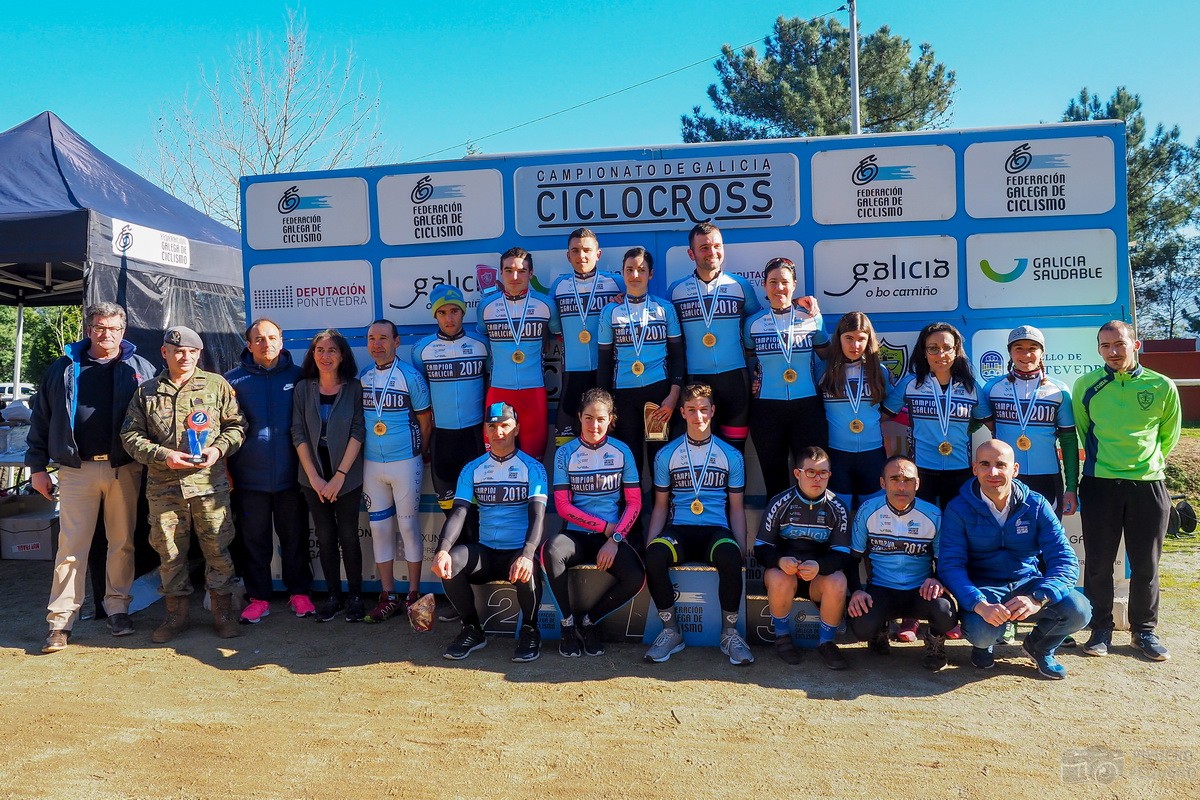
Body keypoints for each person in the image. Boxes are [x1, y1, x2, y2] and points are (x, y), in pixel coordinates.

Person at [29, 303, 155, 653]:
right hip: (75, 470)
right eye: (100, 327)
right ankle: (60, 622)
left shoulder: (140, 368)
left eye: (113, 328)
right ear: (88, 329)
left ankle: (117, 608)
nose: (106, 334)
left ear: (123, 331)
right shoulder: (64, 368)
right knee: (71, 548)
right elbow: (42, 417)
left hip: (123, 469)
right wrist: (37, 466)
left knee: (122, 542)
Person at [120, 325, 247, 643]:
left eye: (191, 351)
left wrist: (217, 449)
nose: (184, 356)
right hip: (164, 488)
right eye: (178, 351)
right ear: (164, 352)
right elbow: (130, 436)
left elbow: (237, 426)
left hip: (209, 486)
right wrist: (163, 455)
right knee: (170, 553)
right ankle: (175, 615)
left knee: (217, 549)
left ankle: (222, 612)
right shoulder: (146, 392)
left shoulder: (217, 386)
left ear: (199, 354)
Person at [938, 440, 1091, 679]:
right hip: (984, 589)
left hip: (1027, 584)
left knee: (1079, 610)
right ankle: (983, 645)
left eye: (1001, 464)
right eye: (985, 465)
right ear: (975, 468)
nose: (993, 472)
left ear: (1015, 469)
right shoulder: (958, 509)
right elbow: (950, 565)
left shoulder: (1037, 504)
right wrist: (980, 604)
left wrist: (1038, 598)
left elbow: (1064, 559)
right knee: (982, 632)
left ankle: (1039, 647)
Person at [1073, 320, 1180, 662]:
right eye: (1105, 346)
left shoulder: (1162, 386)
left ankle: (1143, 631)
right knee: (1100, 564)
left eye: (1119, 344)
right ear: (1099, 350)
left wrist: (1145, 465)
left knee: (1146, 565)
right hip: (1100, 484)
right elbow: (1084, 430)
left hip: (1148, 485)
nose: (1113, 352)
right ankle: (1100, 628)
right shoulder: (1087, 385)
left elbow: (1169, 436)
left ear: (1136, 345)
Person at [643, 384, 753, 666]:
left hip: (715, 531)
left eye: (704, 409)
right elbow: (660, 505)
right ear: (682, 412)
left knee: (729, 554)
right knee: (655, 554)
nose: (698, 415)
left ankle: (729, 633)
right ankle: (671, 631)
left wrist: (741, 547)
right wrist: (650, 544)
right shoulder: (666, 455)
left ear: (713, 411)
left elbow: (737, 509)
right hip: (679, 528)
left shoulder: (731, 455)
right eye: (691, 410)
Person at [433, 403, 548, 662]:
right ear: (485, 430)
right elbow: (459, 513)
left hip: (517, 552)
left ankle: (530, 630)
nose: (499, 432)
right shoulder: (473, 468)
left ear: (516, 428)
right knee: (451, 561)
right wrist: (442, 550)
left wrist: (527, 554)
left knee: (526, 569)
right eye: (493, 426)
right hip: (485, 553)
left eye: (505, 425)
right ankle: (472, 629)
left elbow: (538, 516)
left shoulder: (533, 468)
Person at [543, 389, 645, 657]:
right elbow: (563, 507)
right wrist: (604, 528)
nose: (594, 426)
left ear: (611, 419)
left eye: (601, 419)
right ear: (579, 418)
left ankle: (588, 622)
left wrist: (615, 539)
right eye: (588, 418)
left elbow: (635, 503)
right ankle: (566, 625)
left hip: (612, 537)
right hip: (577, 535)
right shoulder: (566, 453)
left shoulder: (622, 451)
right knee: (551, 550)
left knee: (636, 577)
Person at [224, 318, 312, 624]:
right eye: (259, 339)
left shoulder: (301, 377)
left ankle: (299, 593)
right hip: (250, 479)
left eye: (272, 337)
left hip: (293, 478)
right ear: (249, 345)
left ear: (282, 340)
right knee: (253, 541)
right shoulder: (231, 382)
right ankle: (258, 597)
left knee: (295, 538)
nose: (266, 344)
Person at [847, 455, 957, 671]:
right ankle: (879, 631)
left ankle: (935, 641)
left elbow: (943, 560)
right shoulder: (868, 510)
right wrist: (856, 591)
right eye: (894, 479)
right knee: (860, 625)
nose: (901, 486)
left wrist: (936, 579)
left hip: (920, 590)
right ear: (882, 483)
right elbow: (852, 559)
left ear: (917, 483)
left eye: (907, 480)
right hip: (882, 589)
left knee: (946, 613)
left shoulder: (933, 514)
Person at [596, 247, 684, 509]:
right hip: (623, 397)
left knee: (659, 461)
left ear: (651, 274)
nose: (635, 275)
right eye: (629, 270)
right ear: (622, 273)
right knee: (630, 462)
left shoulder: (664, 309)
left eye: (641, 270)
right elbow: (604, 363)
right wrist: (606, 408)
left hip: (658, 398)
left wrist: (673, 396)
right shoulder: (610, 312)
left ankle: (665, 520)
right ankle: (630, 528)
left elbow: (679, 356)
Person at [291, 329, 367, 623]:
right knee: (324, 536)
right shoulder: (302, 389)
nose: (325, 356)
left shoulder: (354, 388)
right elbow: (297, 431)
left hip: (346, 476)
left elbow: (358, 431)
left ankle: (356, 596)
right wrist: (315, 477)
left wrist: (339, 476)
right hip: (312, 475)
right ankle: (334, 596)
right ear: (312, 355)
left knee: (348, 536)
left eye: (332, 350)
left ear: (343, 355)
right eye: (319, 350)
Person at [359, 319, 432, 622]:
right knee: (378, 528)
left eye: (383, 338)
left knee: (408, 527)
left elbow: (426, 421)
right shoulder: (363, 377)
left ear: (397, 342)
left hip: (405, 462)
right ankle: (388, 594)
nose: (377, 344)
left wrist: (420, 452)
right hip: (372, 464)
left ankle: (413, 596)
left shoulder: (411, 377)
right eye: (372, 339)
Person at [755, 446, 853, 670]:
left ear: (830, 475)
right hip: (785, 575)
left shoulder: (837, 507)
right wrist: (780, 561)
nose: (817, 478)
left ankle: (826, 642)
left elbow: (843, 556)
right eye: (811, 472)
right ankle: (782, 638)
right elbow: (761, 548)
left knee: (838, 580)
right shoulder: (780, 502)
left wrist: (819, 566)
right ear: (797, 474)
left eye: (823, 473)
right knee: (779, 578)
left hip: (817, 579)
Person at [667, 222, 761, 452]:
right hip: (696, 379)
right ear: (692, 253)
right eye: (704, 247)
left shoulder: (740, 285)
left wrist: (797, 305)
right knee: (699, 448)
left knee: (735, 448)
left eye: (717, 246)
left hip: (735, 379)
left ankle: (736, 490)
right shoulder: (676, 291)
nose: (712, 252)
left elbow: (761, 325)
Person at [742, 257, 829, 501]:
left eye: (784, 282)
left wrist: (819, 382)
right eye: (773, 282)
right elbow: (749, 361)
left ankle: (814, 533)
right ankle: (777, 536)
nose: (779, 287)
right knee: (774, 480)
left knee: (812, 476)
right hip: (767, 410)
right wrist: (754, 380)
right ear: (764, 285)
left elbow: (828, 357)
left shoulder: (811, 316)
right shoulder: (753, 324)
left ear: (794, 285)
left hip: (807, 406)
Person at [975, 325, 1078, 516]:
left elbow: (1069, 441)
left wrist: (1071, 487)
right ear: (1010, 353)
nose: (1026, 354)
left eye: (1032, 348)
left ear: (1042, 353)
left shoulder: (1059, 390)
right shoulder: (992, 388)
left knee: (1048, 539)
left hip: (1047, 476)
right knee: (1009, 539)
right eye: (1019, 348)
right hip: (1005, 477)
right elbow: (971, 424)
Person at [548, 228, 624, 446]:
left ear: (598, 254)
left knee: (609, 443)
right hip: (572, 375)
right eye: (575, 250)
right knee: (564, 444)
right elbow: (553, 328)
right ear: (568, 255)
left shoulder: (616, 284)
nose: (582, 256)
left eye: (587, 250)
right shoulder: (559, 287)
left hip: (607, 374)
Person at [476, 247, 553, 458]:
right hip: (499, 391)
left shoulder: (546, 305)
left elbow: (558, 335)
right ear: (501, 273)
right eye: (508, 270)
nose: (515, 276)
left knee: (534, 457)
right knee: (495, 458)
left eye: (521, 270)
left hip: (533, 392)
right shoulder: (487, 307)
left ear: (531, 273)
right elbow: (483, 338)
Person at [817, 311, 892, 511]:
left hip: (872, 453)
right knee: (839, 511)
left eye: (861, 339)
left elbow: (892, 405)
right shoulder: (823, 371)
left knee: (873, 510)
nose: (855, 345)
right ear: (839, 338)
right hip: (837, 453)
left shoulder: (880, 372)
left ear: (869, 341)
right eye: (848, 338)